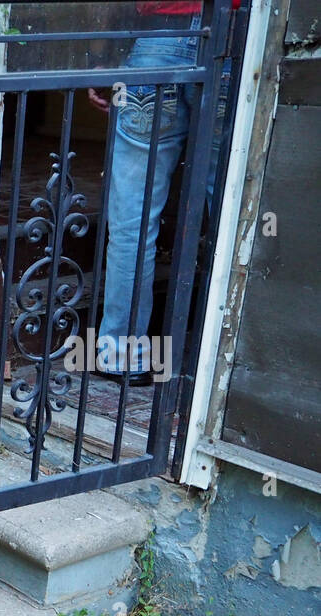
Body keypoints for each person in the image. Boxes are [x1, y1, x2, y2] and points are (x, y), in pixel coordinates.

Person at [88, 1, 234, 382]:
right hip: (234, 39)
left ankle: (121, 354)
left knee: (132, 222)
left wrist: (101, 57)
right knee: (232, 210)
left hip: (158, 40)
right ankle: (223, 361)